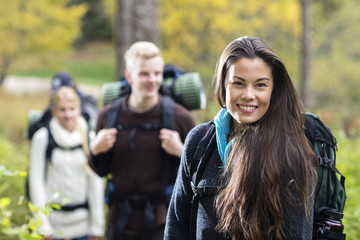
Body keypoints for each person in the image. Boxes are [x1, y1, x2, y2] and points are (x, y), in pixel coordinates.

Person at [164, 36, 318, 239]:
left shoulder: (291, 153)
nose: (248, 94)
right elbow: (177, 225)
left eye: (260, 85)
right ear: (223, 85)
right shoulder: (200, 141)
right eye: (238, 83)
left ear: (274, 90)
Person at [88, 41, 196, 240]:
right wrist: (95, 149)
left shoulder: (180, 118)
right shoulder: (108, 117)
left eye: (157, 73)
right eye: (144, 74)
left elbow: (199, 175)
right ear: (129, 76)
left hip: (164, 222)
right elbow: (100, 170)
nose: (152, 80)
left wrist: (181, 151)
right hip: (118, 221)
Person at [28, 86, 105, 240]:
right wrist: (43, 226)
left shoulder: (90, 137)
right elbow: (36, 182)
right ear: (54, 111)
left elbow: (95, 185)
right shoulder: (42, 138)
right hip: (53, 226)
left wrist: (97, 227)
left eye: (72, 109)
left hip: (83, 227)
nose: (68, 114)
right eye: (62, 109)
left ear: (79, 109)